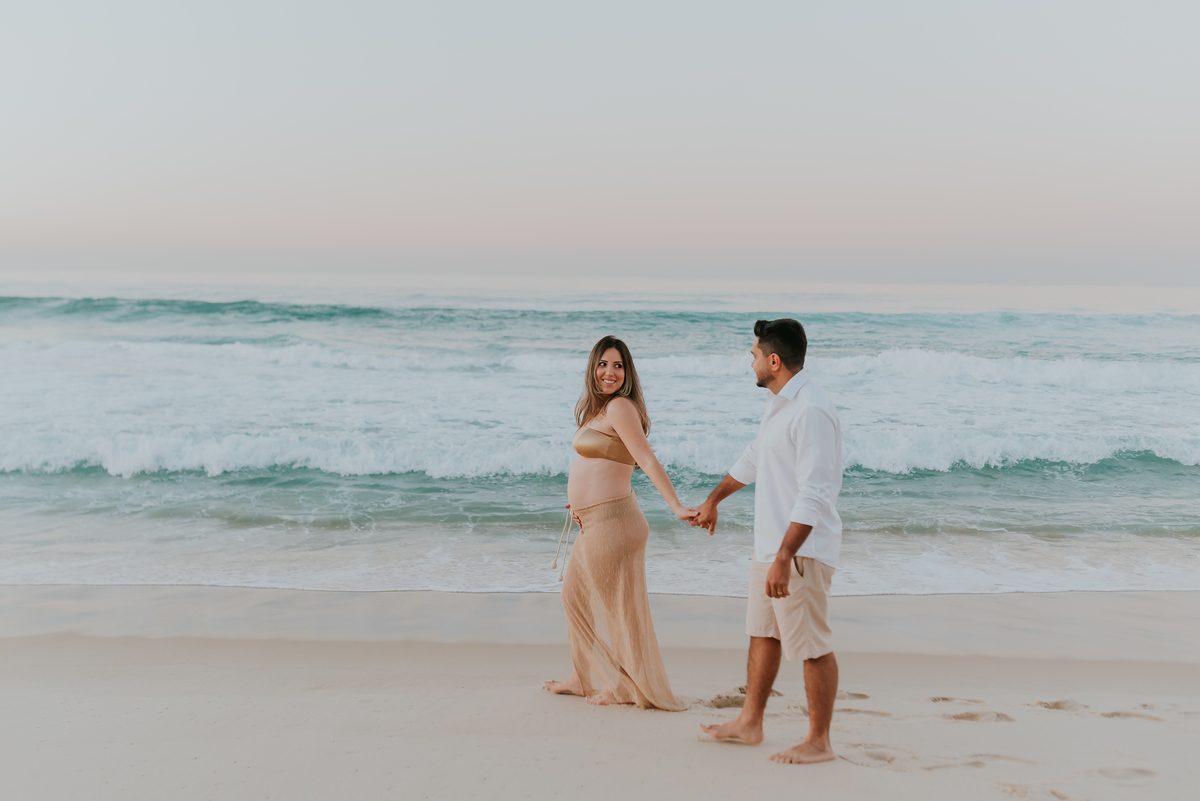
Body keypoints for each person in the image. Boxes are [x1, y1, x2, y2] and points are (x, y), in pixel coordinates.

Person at [692, 319, 843, 764]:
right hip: (772, 548)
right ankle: (750, 723)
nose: (752, 362)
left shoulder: (811, 408)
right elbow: (756, 456)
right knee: (763, 634)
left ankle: (819, 742)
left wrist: (784, 557)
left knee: (811, 645)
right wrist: (714, 498)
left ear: (774, 361)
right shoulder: (781, 402)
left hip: (799, 553)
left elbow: (815, 493)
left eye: (755, 355)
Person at [543, 335, 695, 710]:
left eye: (618, 365)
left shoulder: (620, 408)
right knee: (573, 596)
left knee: (618, 609)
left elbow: (645, 458)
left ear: (627, 373)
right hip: (595, 520)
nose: (609, 372)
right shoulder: (600, 410)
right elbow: (602, 463)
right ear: (593, 368)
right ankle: (582, 677)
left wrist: (675, 505)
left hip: (615, 521)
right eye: (603, 364)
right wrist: (580, 500)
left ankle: (630, 687)